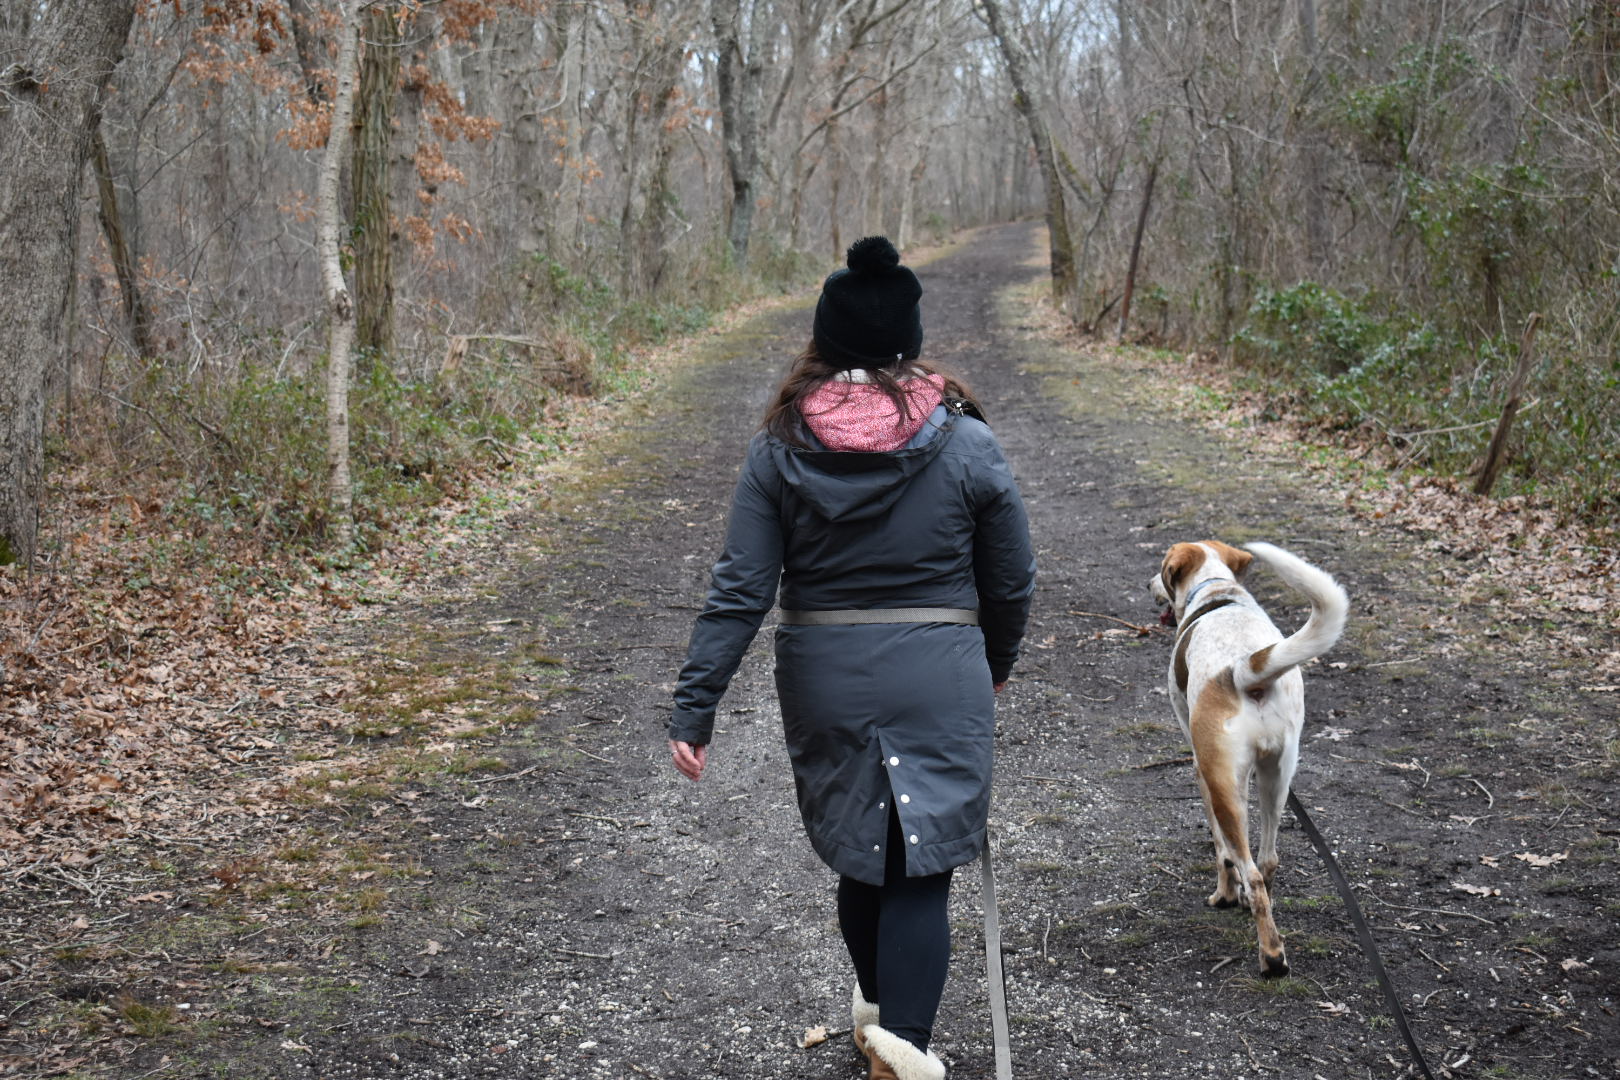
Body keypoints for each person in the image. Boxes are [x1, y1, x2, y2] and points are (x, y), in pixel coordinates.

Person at [666, 236, 1035, 1080]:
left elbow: (740, 586)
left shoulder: (778, 446)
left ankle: (884, 1035)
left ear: (825, 343)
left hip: (823, 673)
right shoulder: (966, 441)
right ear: (909, 343)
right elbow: (1011, 575)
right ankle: (901, 1048)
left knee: (864, 850)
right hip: (939, 671)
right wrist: (997, 657)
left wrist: (697, 705)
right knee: (919, 867)